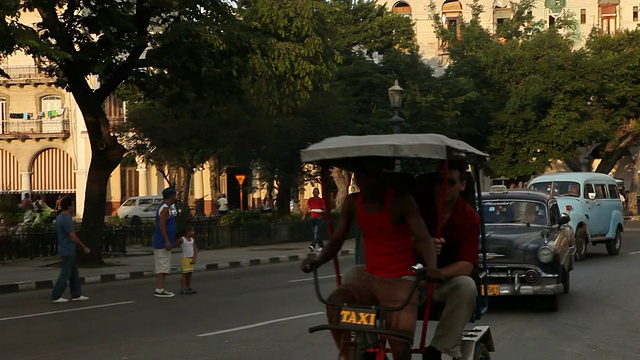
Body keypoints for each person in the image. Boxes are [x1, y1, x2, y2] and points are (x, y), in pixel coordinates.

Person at [301, 170, 439, 360]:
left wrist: (432, 267)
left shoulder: (401, 201)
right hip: (369, 276)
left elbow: (424, 238)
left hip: (400, 279)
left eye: (371, 175)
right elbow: (337, 240)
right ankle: (355, 354)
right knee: (337, 302)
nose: (365, 181)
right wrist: (317, 260)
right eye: (362, 176)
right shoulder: (353, 202)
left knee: (400, 344)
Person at [419, 161, 480, 360]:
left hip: (443, 282)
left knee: (466, 285)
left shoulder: (469, 217)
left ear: (462, 185)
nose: (443, 188)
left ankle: (437, 348)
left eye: (450, 183)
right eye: (439, 182)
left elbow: (467, 264)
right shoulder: (419, 207)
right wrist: (421, 244)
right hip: (411, 279)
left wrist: (438, 273)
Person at [50, 197, 90, 303]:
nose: (73, 206)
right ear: (68, 206)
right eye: (72, 204)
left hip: (65, 248)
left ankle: (76, 294)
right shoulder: (66, 219)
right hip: (68, 248)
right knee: (66, 273)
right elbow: (72, 236)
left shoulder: (60, 217)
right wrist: (83, 246)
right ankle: (56, 295)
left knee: (73, 273)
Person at [153, 187, 178, 298]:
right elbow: (162, 225)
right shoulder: (165, 209)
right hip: (162, 242)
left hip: (163, 242)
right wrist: (167, 240)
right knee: (163, 266)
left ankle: (160, 288)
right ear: (171, 196)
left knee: (162, 265)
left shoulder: (166, 207)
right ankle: (160, 289)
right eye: (175, 196)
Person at [176, 225, 198, 295]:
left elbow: (195, 248)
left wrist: (194, 257)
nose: (193, 232)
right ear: (187, 232)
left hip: (191, 258)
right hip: (185, 258)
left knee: (190, 274)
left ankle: (188, 287)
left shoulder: (192, 240)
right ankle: (184, 288)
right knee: (185, 274)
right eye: (191, 231)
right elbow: (176, 243)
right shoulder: (182, 239)